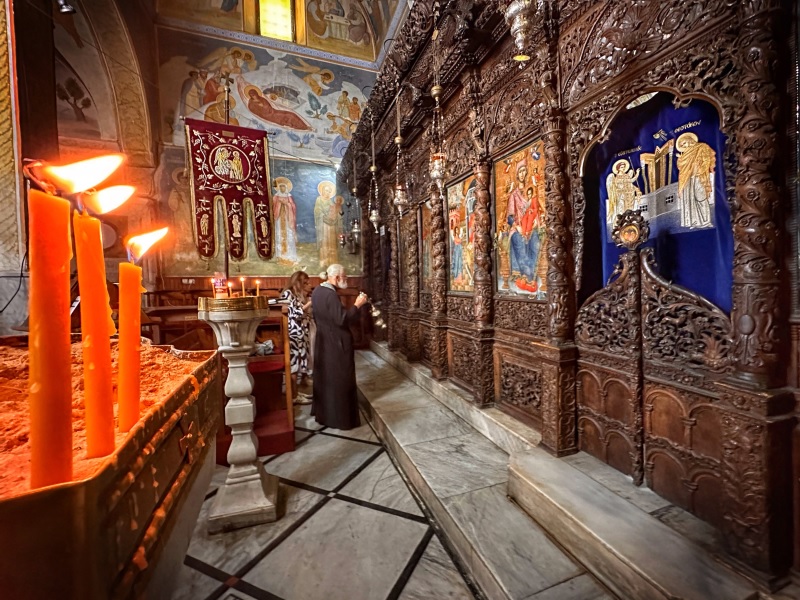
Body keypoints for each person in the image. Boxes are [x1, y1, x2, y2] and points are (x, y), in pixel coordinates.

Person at [311, 264, 367, 429]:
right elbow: (342, 319)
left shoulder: (317, 291)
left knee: (328, 380)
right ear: (336, 277)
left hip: (324, 341)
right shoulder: (330, 295)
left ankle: (325, 415)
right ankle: (342, 419)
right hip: (337, 344)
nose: (347, 280)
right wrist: (357, 304)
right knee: (341, 380)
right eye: (345, 277)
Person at [280, 271, 313, 404]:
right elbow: (296, 313)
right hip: (293, 334)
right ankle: (292, 397)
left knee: (298, 366)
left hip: (301, 334)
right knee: (293, 366)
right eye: (306, 282)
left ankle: (296, 393)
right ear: (299, 283)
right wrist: (310, 303)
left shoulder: (297, 295)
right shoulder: (288, 294)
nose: (309, 285)